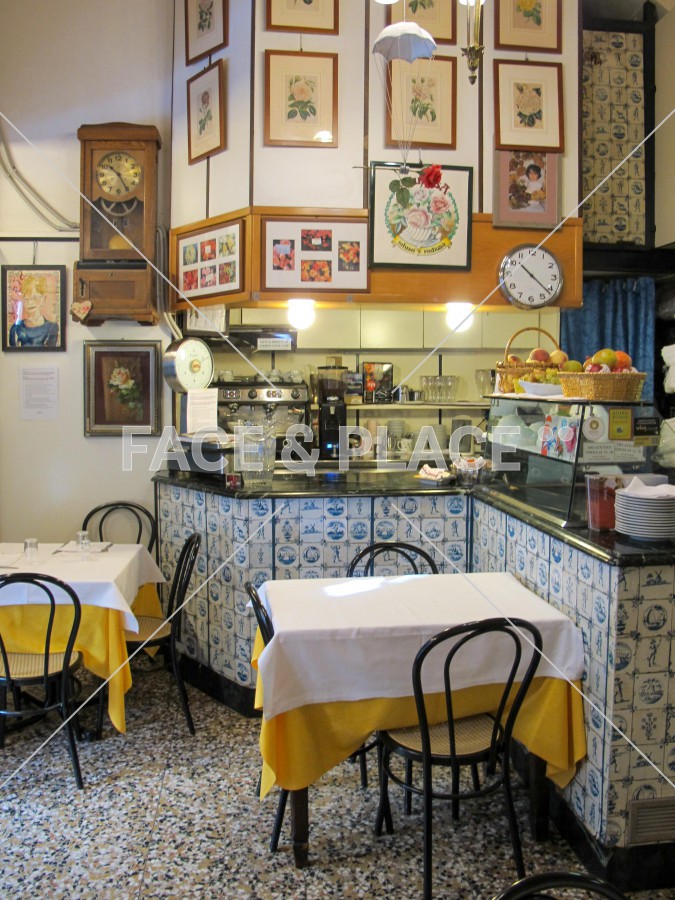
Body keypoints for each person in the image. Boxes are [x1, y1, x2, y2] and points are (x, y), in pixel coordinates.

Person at [9, 275, 59, 347]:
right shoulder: (15, 329)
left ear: (43, 298)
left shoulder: (51, 328)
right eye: (27, 299)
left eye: (35, 298)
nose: (30, 303)